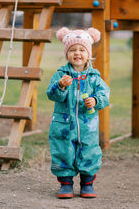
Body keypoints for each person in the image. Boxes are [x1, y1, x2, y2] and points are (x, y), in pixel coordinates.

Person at [46, 27, 110, 199]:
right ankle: (66, 185)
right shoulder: (61, 74)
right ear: (67, 53)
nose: (77, 53)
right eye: (72, 50)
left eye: (82, 50)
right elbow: (52, 95)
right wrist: (60, 86)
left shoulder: (94, 78)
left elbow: (105, 94)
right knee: (63, 151)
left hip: (87, 125)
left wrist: (95, 100)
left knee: (89, 151)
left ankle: (87, 184)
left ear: (88, 54)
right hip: (64, 125)